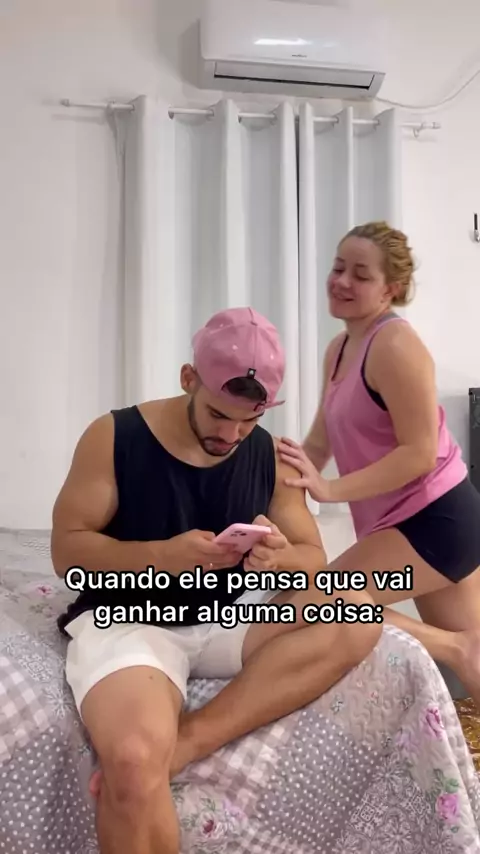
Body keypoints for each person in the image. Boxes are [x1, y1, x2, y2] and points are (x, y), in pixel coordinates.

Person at [51, 306, 381, 854]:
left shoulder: (268, 453)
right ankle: (154, 759)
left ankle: (189, 741)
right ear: (189, 378)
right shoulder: (114, 436)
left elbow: (311, 558)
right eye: (217, 415)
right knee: (132, 761)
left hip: (229, 616)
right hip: (133, 619)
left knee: (358, 610)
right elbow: (68, 553)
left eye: (248, 421)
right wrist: (162, 557)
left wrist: (280, 559)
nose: (231, 435)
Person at [278, 220, 480, 708]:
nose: (342, 281)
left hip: (437, 519)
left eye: (361, 275)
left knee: (314, 601)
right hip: (411, 521)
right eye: (338, 267)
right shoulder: (338, 350)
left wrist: (329, 490)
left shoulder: (395, 346)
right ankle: (460, 651)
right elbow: (319, 443)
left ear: (391, 288)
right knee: (477, 666)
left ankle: (454, 647)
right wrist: (270, 478)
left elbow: (419, 452)